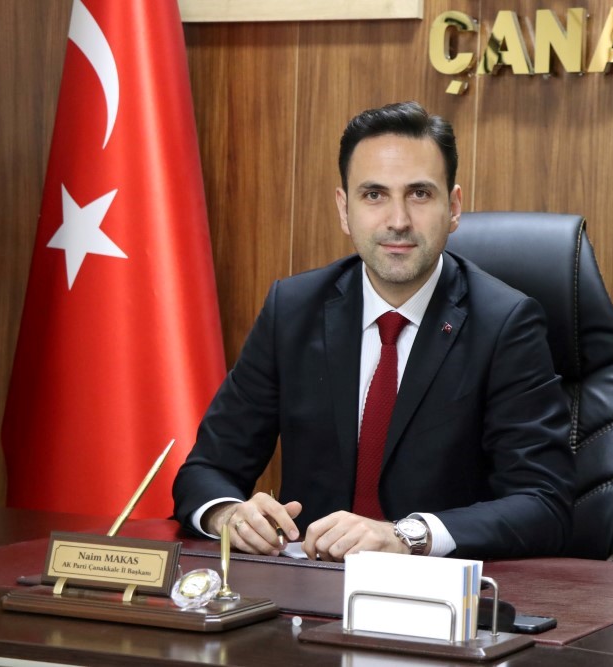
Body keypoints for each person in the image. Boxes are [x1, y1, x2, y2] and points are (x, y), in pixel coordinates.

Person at [173, 101, 575, 561]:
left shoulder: (505, 323)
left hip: (435, 592)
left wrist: (406, 535)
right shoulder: (294, 310)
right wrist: (228, 514)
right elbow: (205, 470)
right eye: (374, 195)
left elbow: (544, 504)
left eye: (419, 194)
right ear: (344, 209)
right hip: (306, 586)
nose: (398, 220)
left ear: (453, 207)